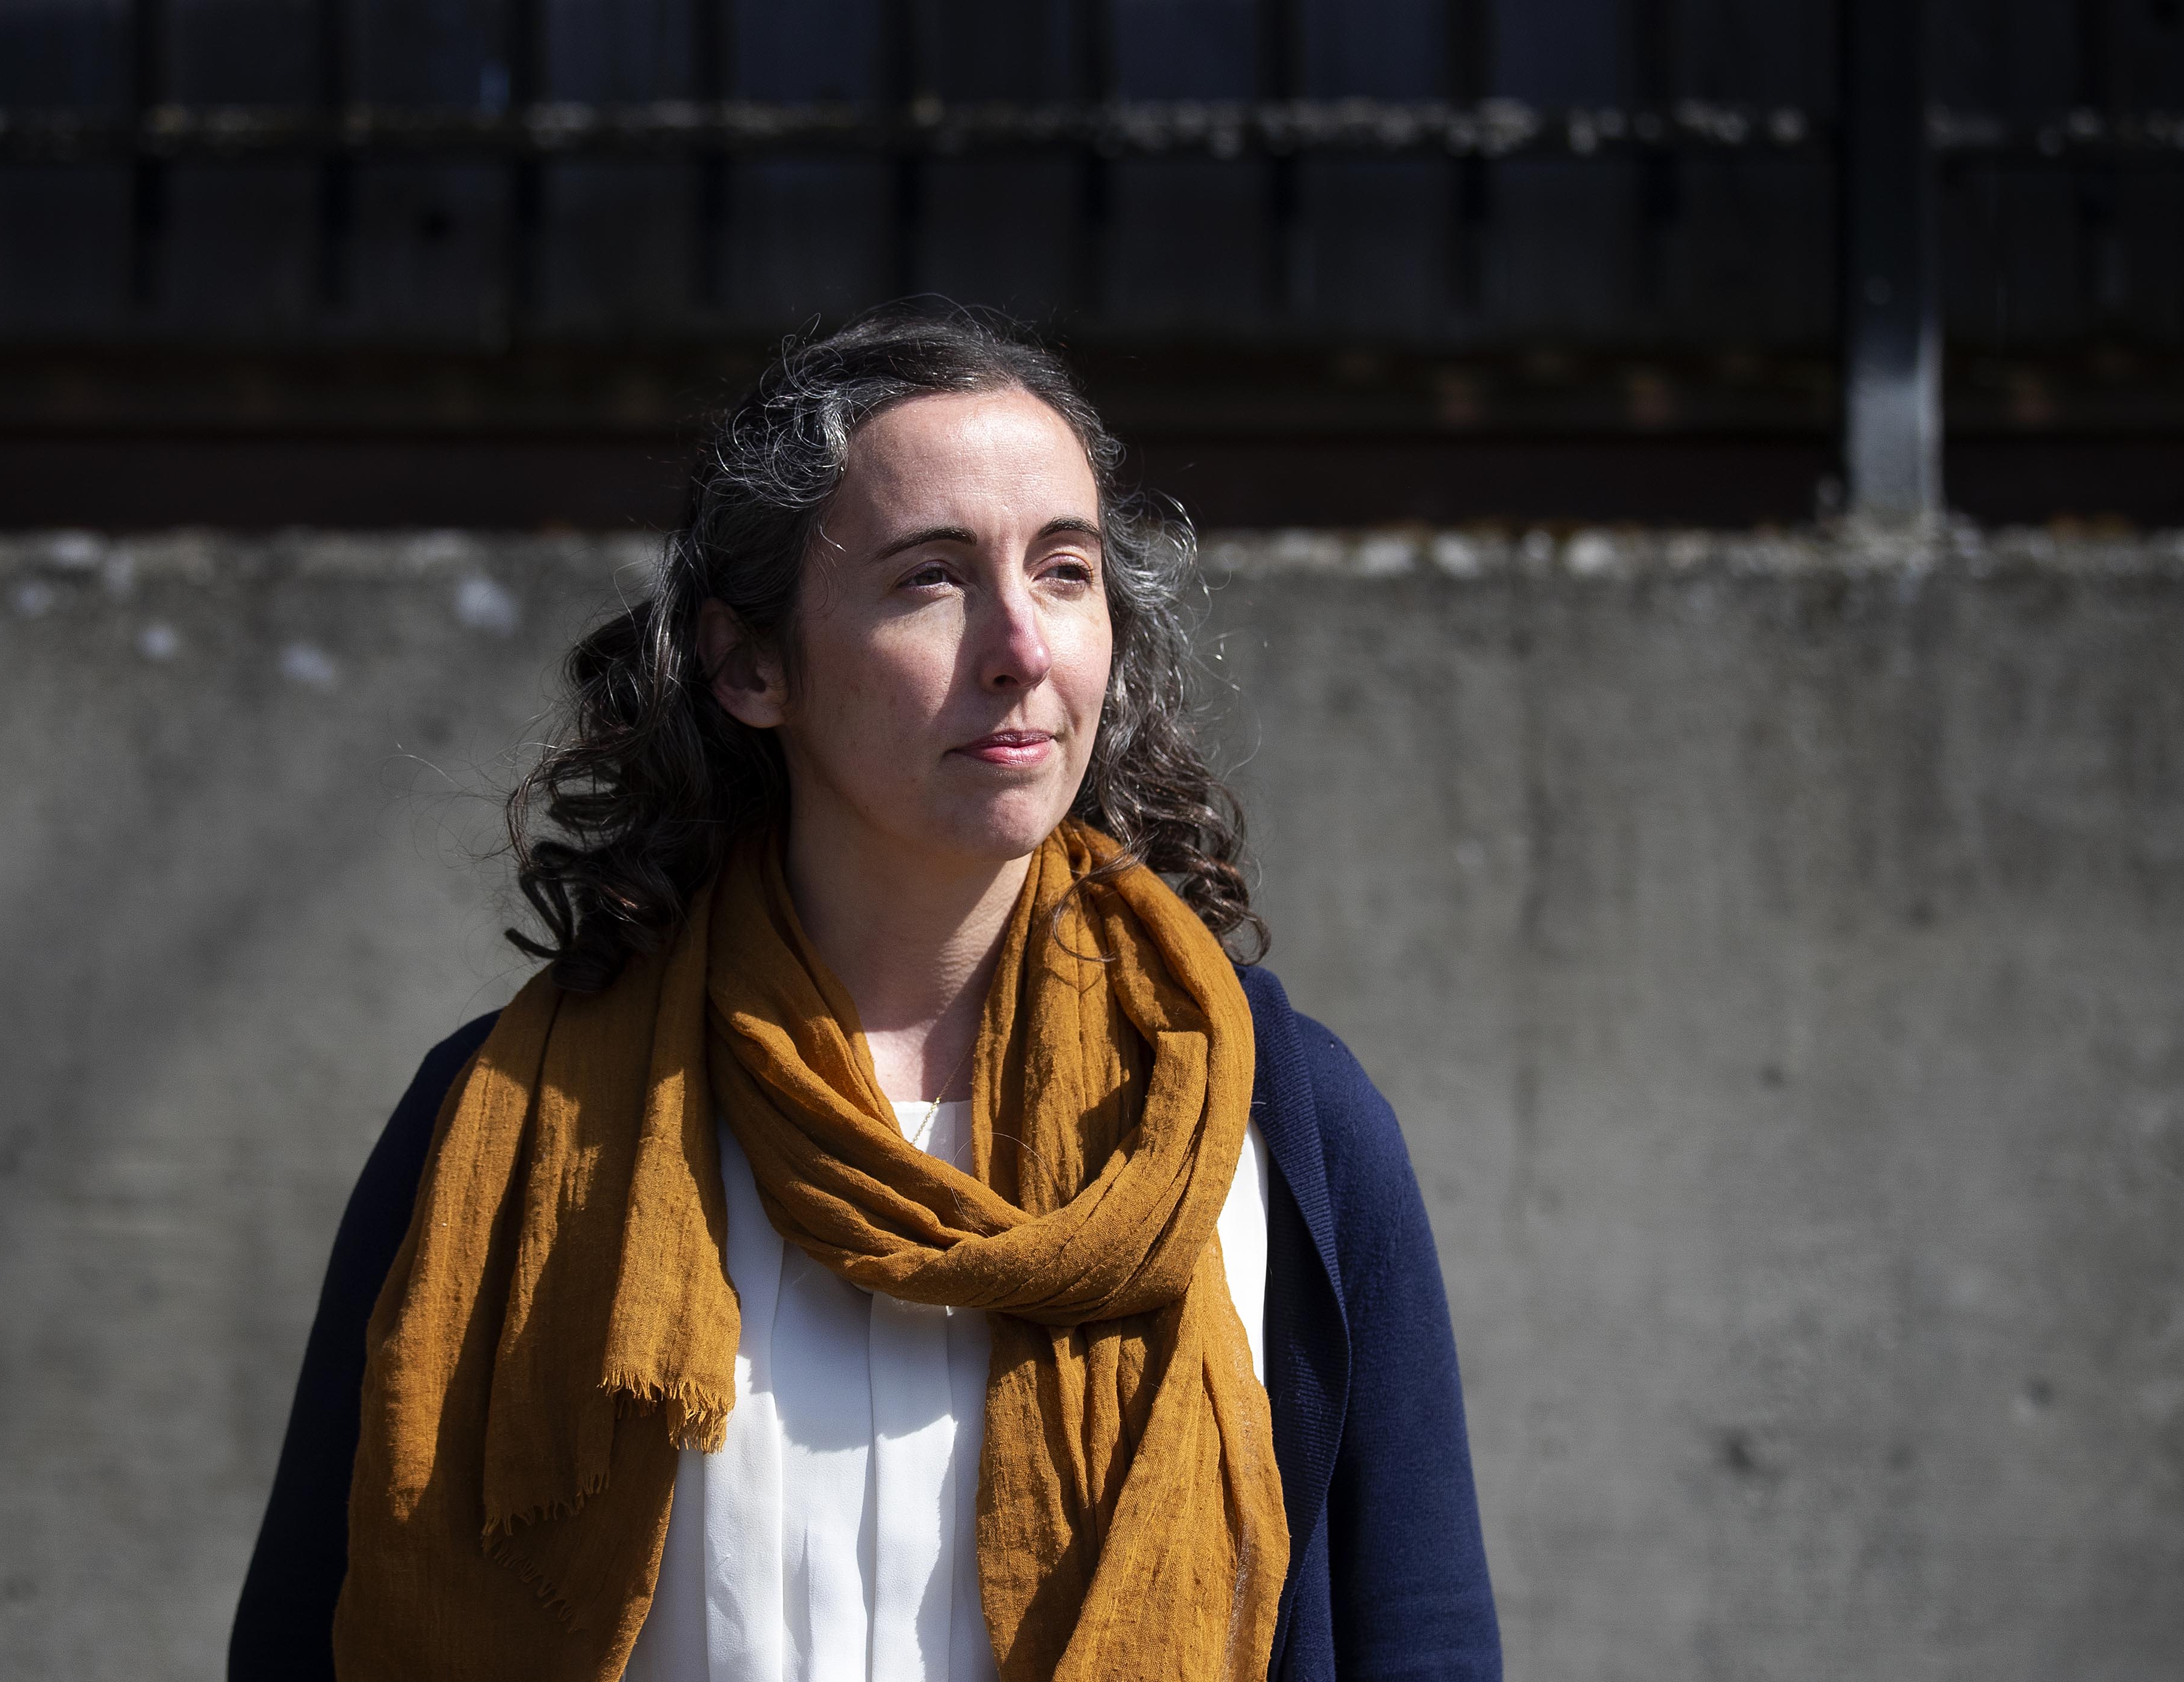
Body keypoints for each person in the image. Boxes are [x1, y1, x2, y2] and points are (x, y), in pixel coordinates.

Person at [229, 310, 1500, 1682]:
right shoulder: (504, 1128)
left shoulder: (1277, 1122)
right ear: (749, 665)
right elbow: (310, 1636)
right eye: (930, 581)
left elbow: (1417, 1636)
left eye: (1065, 572)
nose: (1021, 644)